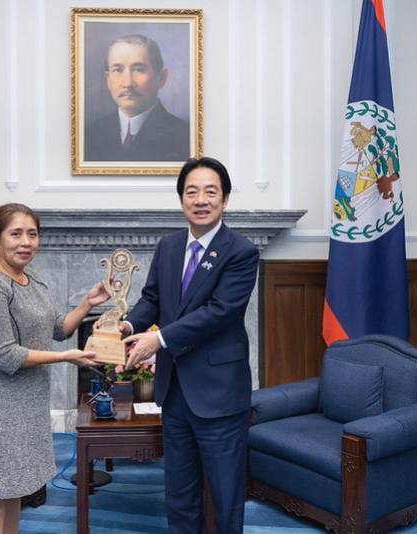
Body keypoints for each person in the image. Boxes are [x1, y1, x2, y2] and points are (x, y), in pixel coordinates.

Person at [120, 157, 260, 533]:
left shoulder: (241, 251)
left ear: (225, 199)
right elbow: (152, 298)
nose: (200, 200)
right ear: (181, 198)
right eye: (191, 192)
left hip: (219, 393)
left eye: (210, 192)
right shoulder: (168, 246)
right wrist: (128, 324)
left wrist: (159, 339)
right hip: (175, 390)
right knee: (180, 494)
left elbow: (220, 312)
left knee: (225, 496)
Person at [0, 203, 110, 533]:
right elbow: (5, 355)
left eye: (32, 234)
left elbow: (58, 328)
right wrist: (66, 357)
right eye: (16, 234)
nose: (26, 242)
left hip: (27, 401)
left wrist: (87, 303)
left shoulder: (33, 278)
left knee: (14, 491)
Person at [84, 34, 190, 162]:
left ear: (161, 78)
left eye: (139, 69)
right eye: (117, 70)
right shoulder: (90, 134)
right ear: (108, 80)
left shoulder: (184, 136)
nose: (128, 83)